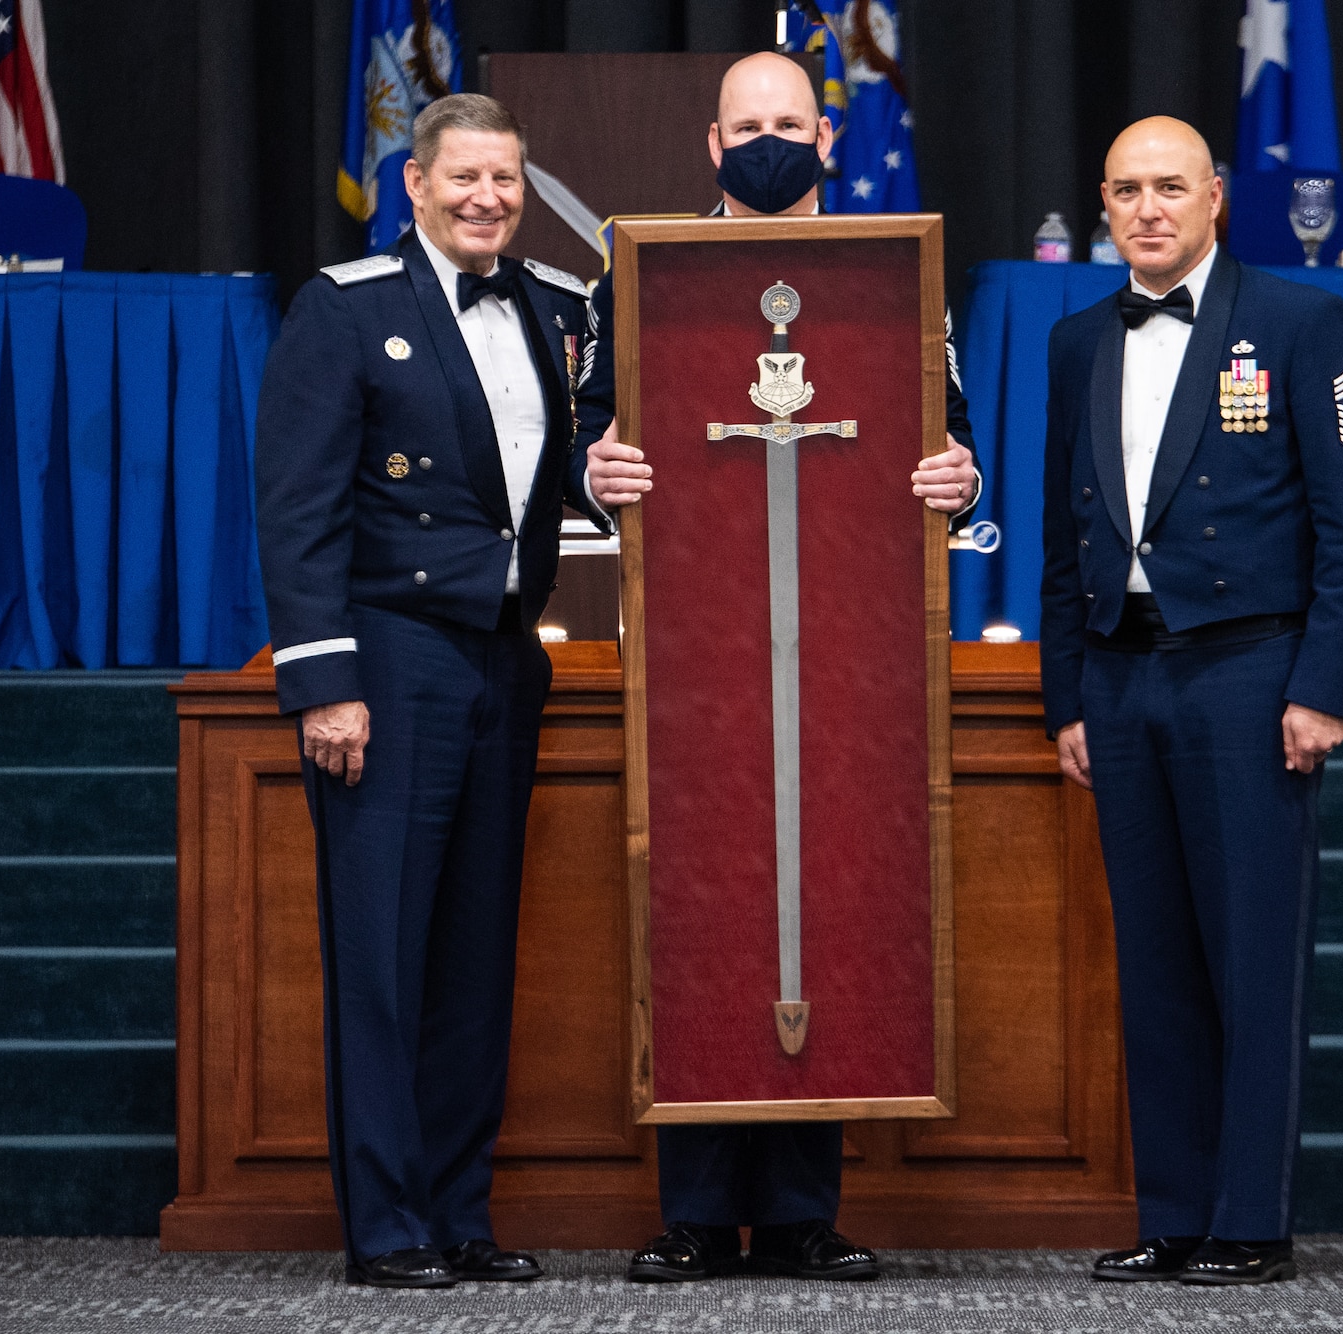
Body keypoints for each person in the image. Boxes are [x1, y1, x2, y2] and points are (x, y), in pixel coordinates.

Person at [575, 51, 983, 1284]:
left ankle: (804, 1208)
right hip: (693, 643)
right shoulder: (637, 270)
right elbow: (596, 429)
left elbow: (949, 433)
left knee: (826, 881)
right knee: (704, 881)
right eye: (746, 124)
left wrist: (961, 477)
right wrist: (600, 473)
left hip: (850, 644)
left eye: (787, 122)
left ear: (826, 133)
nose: (766, 140)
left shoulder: (885, 272)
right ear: (710, 143)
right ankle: (697, 1208)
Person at [254, 93, 605, 1290]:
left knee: (471, 954)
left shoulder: (558, 311)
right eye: (462, 178)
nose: (485, 200)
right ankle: (389, 1224)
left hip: (508, 658)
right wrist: (323, 684)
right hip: (388, 661)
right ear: (414, 182)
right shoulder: (343, 309)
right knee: (384, 954)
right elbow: (296, 512)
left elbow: (593, 474)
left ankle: (460, 1212)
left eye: (504, 180)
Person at [1039, 117, 1343, 1286]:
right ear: (1103, 202)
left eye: (1170, 188)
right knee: (1151, 960)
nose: (1148, 209)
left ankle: (1248, 1217)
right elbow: (1060, 537)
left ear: (1215, 197)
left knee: (1249, 954)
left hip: (1249, 673)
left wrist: (1322, 688)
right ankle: (1175, 1209)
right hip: (1121, 670)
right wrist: (1066, 696)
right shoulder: (1074, 338)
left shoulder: (1300, 322)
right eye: (1127, 190)